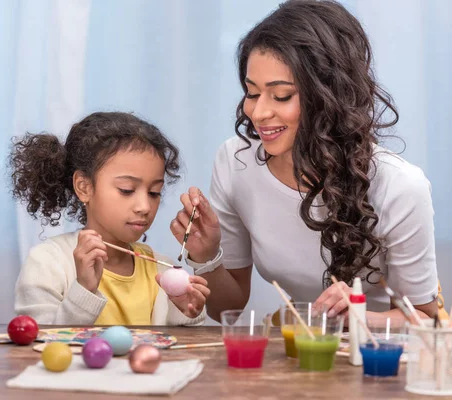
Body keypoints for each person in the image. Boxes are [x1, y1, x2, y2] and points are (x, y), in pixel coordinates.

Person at [171, 0, 440, 323]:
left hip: (375, 356)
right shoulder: (235, 162)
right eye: (252, 93)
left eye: (281, 95)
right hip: (297, 347)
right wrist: (207, 256)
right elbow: (226, 308)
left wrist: (353, 315)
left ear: (330, 96)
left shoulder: (399, 186)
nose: (258, 113)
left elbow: (427, 320)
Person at [10, 111, 208, 325]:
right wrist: (84, 289)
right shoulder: (47, 263)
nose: (144, 207)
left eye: (154, 193)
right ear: (84, 187)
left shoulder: (163, 269)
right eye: (126, 190)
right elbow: (41, 343)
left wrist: (188, 312)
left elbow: (182, 349)